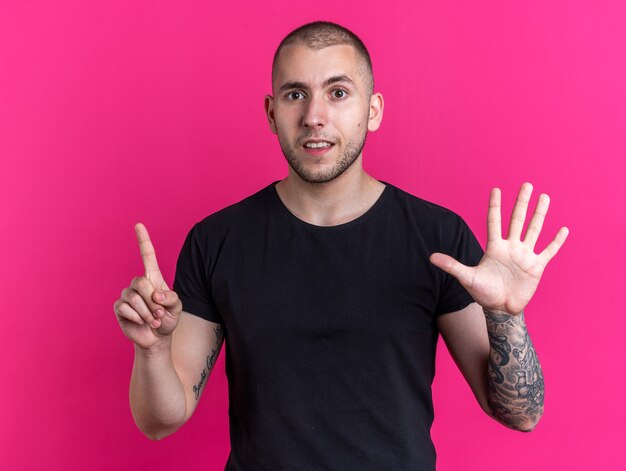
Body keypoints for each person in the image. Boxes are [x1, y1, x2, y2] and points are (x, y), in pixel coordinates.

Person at [113, 21, 569, 470]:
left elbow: (520, 414)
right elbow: (159, 422)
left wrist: (506, 318)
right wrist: (151, 351)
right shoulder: (216, 241)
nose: (314, 115)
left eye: (338, 93)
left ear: (372, 110)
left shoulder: (437, 237)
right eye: (296, 94)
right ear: (272, 113)